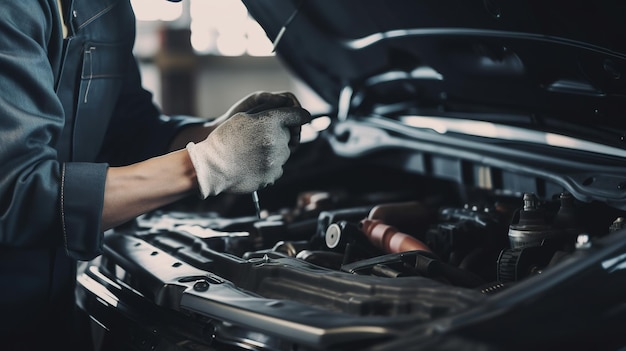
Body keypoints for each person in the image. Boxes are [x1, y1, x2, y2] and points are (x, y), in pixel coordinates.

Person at [0, 0, 311, 350]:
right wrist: (207, 164)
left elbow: (129, 132)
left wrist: (213, 134)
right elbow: (18, 193)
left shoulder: (109, 11)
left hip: (53, 309)